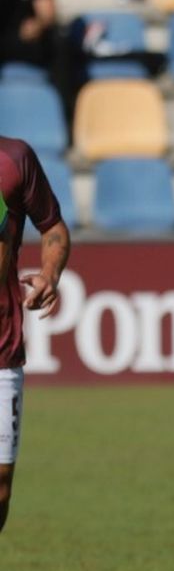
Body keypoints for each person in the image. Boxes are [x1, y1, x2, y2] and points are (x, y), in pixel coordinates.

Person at [0, 136, 71, 538]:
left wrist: (50, 273)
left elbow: (53, 228)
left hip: (2, 346)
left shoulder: (15, 159)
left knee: (1, 485)